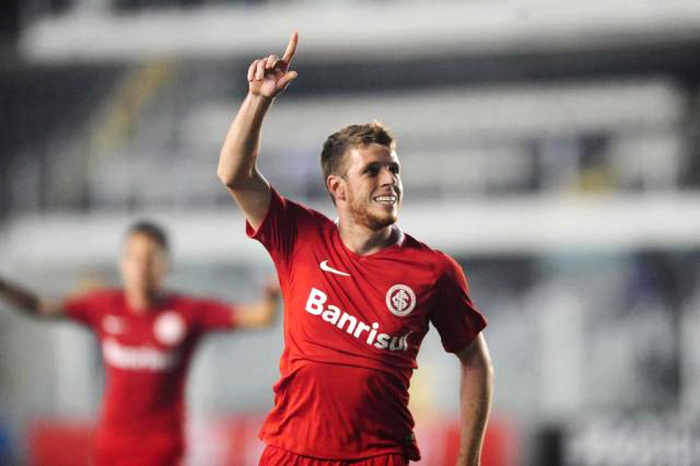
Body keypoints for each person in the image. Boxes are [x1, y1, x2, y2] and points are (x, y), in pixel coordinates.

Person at [217, 32, 494, 466]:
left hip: (378, 458)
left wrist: (468, 461)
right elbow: (235, 174)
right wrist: (258, 99)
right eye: (372, 171)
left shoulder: (434, 270)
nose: (390, 181)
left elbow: (475, 363)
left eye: (394, 169)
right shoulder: (299, 235)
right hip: (291, 454)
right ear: (338, 188)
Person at [0, 220, 281, 466]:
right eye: (134, 257)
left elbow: (259, 318)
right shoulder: (103, 306)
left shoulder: (187, 311)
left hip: (161, 449)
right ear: (123, 263)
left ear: (165, 264)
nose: (141, 266)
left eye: (150, 257)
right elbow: (40, 306)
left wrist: (271, 295)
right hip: (110, 446)